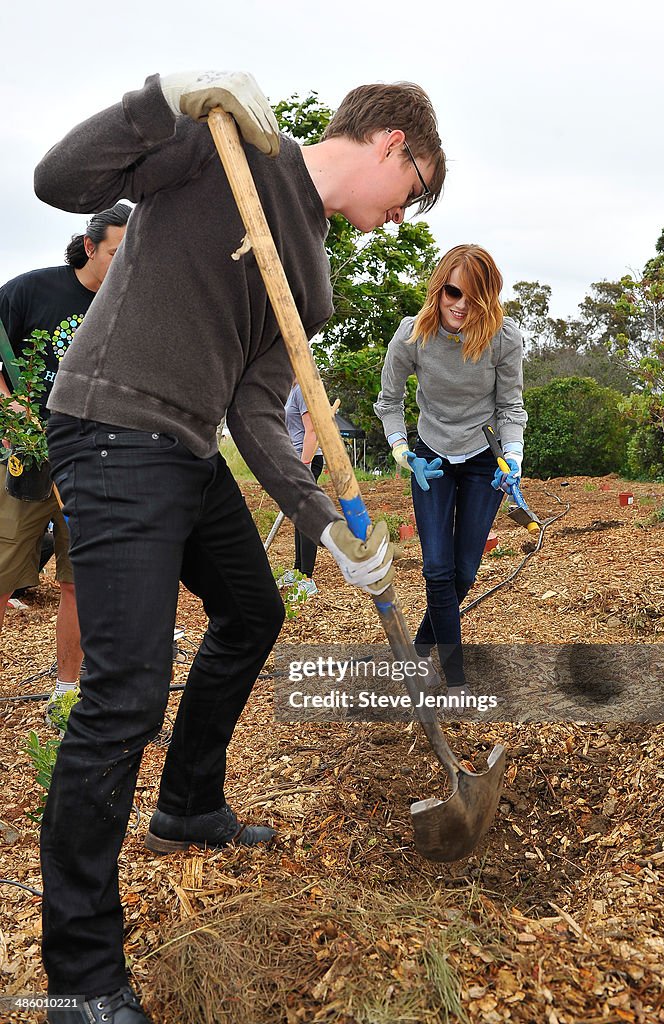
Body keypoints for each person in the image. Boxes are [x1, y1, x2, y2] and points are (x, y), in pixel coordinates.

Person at [34, 70, 445, 1023]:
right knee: (125, 690)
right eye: (414, 190)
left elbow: (258, 412)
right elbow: (61, 179)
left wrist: (332, 529)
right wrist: (161, 97)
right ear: (392, 143)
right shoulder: (225, 144)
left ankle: (187, 806)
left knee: (255, 610)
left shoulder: (315, 272)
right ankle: (82, 977)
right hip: (109, 423)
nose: (401, 214)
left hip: (186, 442)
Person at [374, 244, 527, 692]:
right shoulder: (411, 336)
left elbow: (510, 405)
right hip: (431, 457)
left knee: (463, 572)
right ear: (439, 289)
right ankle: (454, 678)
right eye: (454, 292)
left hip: (485, 458)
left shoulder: (504, 338)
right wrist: (403, 452)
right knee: (436, 568)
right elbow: (390, 401)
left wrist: (512, 456)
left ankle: (418, 650)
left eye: (475, 297)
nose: (461, 305)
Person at [0, 205, 131, 714]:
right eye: (117, 253)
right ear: (90, 245)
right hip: (26, 457)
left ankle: (67, 689)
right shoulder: (30, 291)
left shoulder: (132, 304)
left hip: (96, 459)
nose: (125, 265)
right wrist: (12, 410)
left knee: (79, 581)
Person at [278, 380, 324, 598]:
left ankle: (307, 578)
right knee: (298, 517)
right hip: (296, 459)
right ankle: (298, 570)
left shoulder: (302, 390)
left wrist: (304, 464)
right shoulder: (291, 390)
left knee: (306, 517)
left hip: (308, 459)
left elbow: (312, 430)